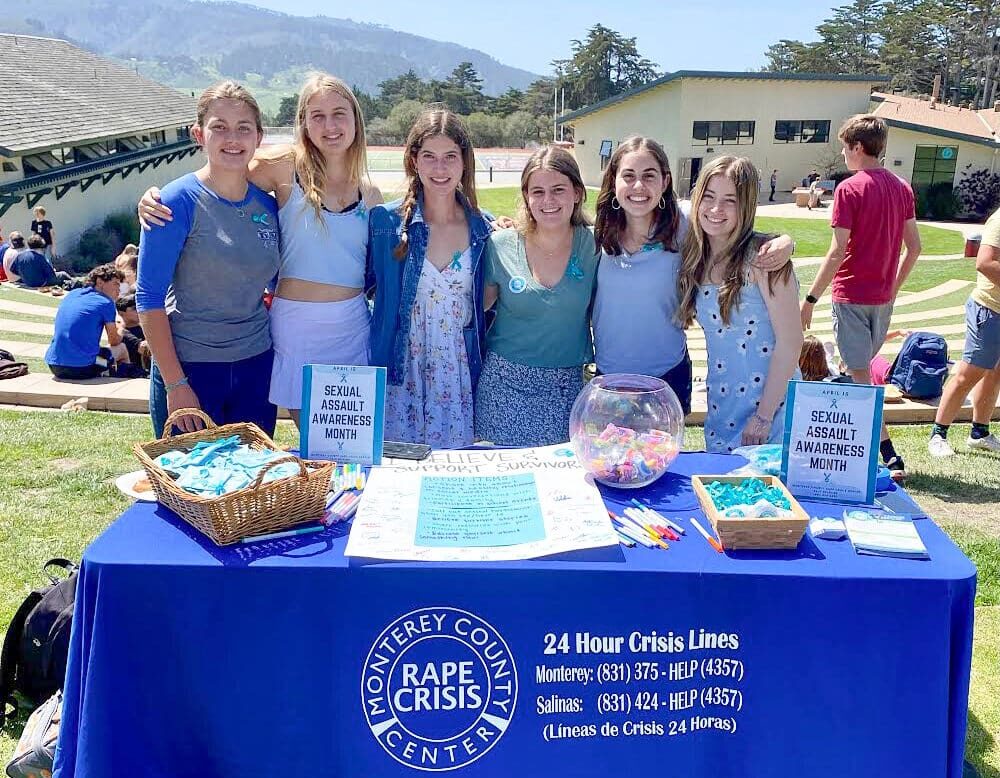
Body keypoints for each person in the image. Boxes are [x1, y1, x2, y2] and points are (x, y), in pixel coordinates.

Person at [141, 73, 381, 428]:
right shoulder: (282, 168)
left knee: (341, 450)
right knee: (306, 447)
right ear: (303, 123)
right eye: (317, 115)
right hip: (284, 330)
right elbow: (217, 178)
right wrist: (153, 200)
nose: (329, 126)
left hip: (341, 329)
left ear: (356, 121)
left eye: (339, 114)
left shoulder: (370, 194)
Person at [591, 136, 793, 416]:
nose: (639, 186)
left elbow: (733, 228)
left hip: (667, 377)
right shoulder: (598, 234)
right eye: (628, 176)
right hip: (608, 378)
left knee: (665, 461)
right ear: (614, 181)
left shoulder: (686, 223)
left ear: (665, 181)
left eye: (649, 176)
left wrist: (785, 241)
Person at [137, 81, 280, 437]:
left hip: (256, 367)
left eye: (243, 128)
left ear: (258, 137)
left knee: (250, 486)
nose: (233, 138)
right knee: (189, 489)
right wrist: (175, 384)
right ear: (198, 134)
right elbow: (148, 298)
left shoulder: (268, 205)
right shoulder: (174, 202)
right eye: (220, 127)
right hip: (192, 370)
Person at [800, 114, 921, 479]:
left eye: (844, 147)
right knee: (859, 375)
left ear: (857, 147)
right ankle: (865, 451)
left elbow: (837, 252)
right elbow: (913, 248)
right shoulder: (902, 188)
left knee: (861, 381)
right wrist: (892, 289)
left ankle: (888, 456)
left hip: (851, 295)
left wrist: (810, 299)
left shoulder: (849, 189)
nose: (842, 153)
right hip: (882, 301)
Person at [367, 108, 491, 448]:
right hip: (400, 370)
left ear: (464, 162)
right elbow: (358, 289)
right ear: (413, 160)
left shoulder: (484, 230)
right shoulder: (385, 224)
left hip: (458, 372)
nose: (440, 168)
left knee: (453, 479)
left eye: (450, 156)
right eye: (430, 157)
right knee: (398, 479)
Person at [676, 156, 802, 453]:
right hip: (723, 407)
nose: (716, 209)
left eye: (729, 200)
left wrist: (764, 416)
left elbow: (791, 341)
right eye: (708, 196)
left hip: (772, 412)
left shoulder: (764, 258)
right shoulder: (696, 254)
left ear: (744, 206)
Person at [475, 146, 597, 446]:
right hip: (504, 386)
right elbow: (474, 310)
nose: (548, 201)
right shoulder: (501, 245)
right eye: (538, 191)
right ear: (526, 196)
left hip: (566, 389)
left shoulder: (596, 246)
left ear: (578, 193)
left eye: (558, 190)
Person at [929, 208, 1000, 456]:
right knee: (969, 372)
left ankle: (979, 432)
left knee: (995, 373)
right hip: (990, 309)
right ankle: (938, 434)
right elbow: (985, 262)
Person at [45, 263, 131, 379]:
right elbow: (114, 341)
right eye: (116, 284)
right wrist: (122, 328)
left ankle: (107, 372)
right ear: (100, 282)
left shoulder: (72, 294)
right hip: (83, 368)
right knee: (121, 349)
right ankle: (124, 377)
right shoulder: (105, 302)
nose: (118, 290)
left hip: (54, 365)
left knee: (100, 352)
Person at [116, 292, 150, 375]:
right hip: (135, 374)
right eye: (135, 308)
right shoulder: (123, 333)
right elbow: (143, 348)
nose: (139, 310)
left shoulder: (143, 328)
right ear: (121, 313)